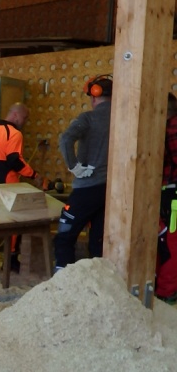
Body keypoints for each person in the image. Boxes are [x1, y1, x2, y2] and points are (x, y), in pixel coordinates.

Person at [53, 75, 113, 271]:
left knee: (64, 237)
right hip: (110, 191)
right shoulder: (122, 119)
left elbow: (65, 139)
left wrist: (74, 166)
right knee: (98, 242)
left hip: (86, 188)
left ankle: (62, 281)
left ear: (94, 96)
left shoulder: (88, 118)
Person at [0, 102, 42, 273]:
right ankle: (10, 261)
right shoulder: (14, 133)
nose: (25, 121)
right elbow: (14, 160)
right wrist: (34, 175)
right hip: (8, 187)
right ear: (16, 115)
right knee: (13, 223)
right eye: (25, 118)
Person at [156, 93, 177, 300]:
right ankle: (167, 289)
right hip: (172, 193)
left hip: (168, 192)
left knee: (168, 243)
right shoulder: (172, 127)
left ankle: (165, 289)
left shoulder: (168, 128)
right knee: (171, 242)